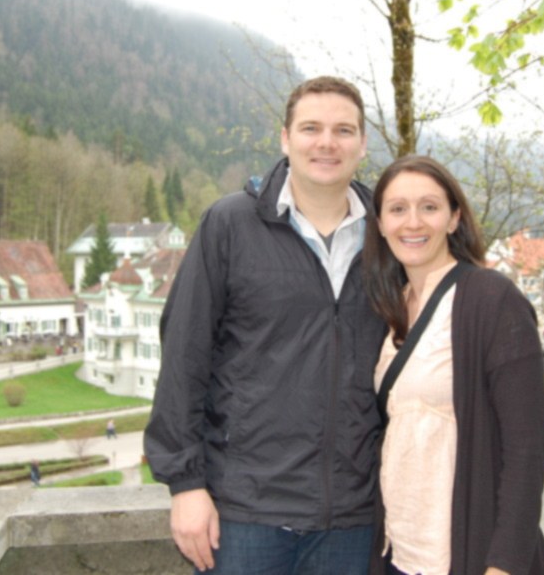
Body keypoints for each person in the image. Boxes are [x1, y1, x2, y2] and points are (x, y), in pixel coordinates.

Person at [144, 76, 387, 575]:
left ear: (363, 144)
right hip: (244, 514)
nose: (326, 142)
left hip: (355, 516)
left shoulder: (391, 238)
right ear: (285, 138)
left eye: (343, 130)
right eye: (311, 128)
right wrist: (185, 485)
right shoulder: (230, 224)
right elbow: (184, 355)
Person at [362, 155, 544, 575]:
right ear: (380, 224)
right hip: (398, 550)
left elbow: (528, 448)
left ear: (453, 219)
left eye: (429, 207)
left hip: (466, 555)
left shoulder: (492, 301)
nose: (413, 222)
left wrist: (503, 565)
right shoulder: (387, 309)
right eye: (397, 209)